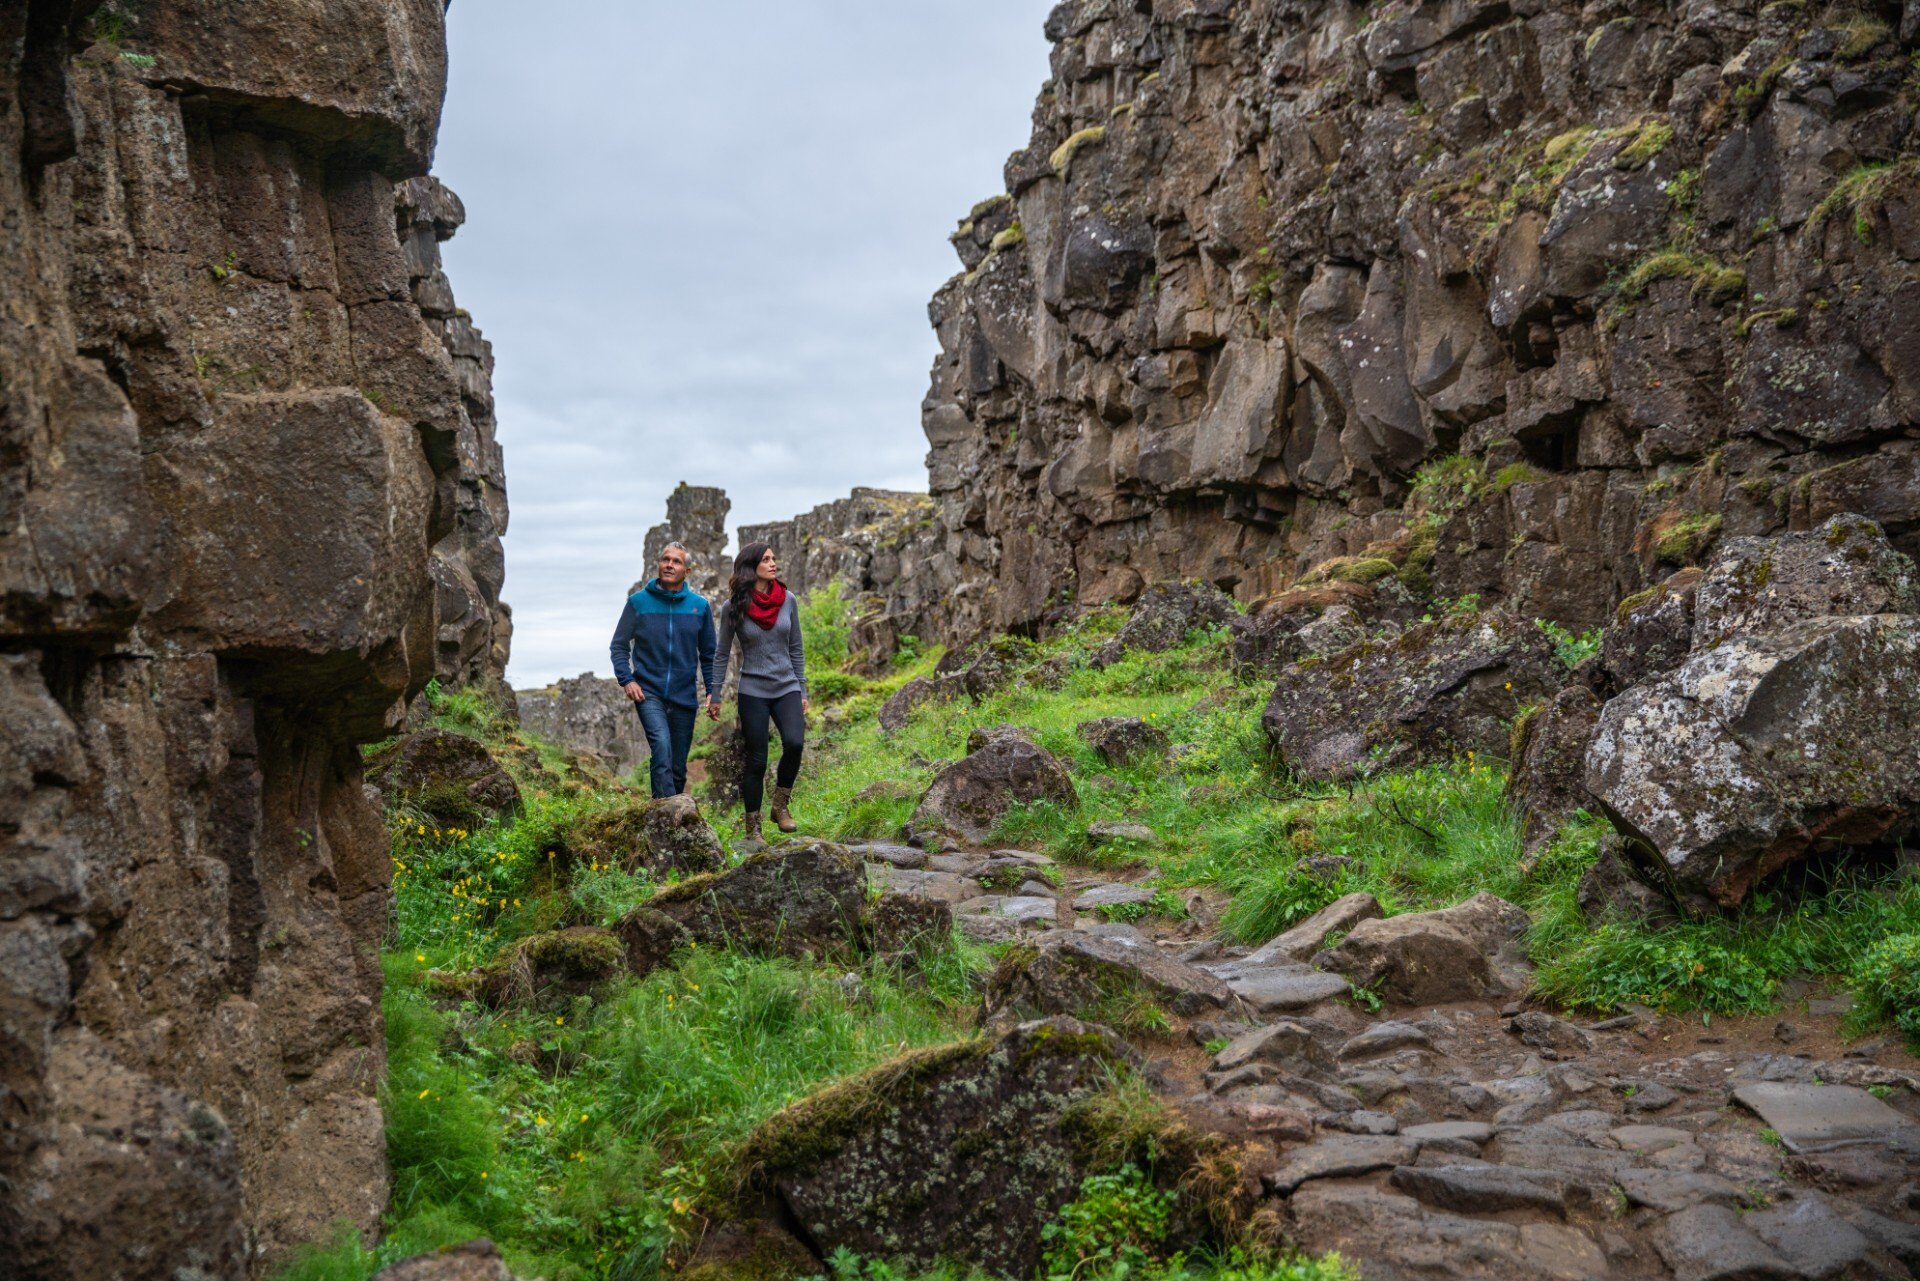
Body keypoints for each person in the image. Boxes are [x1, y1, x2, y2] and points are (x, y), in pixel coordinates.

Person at [711, 542, 808, 843]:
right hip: (753, 690)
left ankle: (780, 806)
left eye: (773, 558)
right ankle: (753, 830)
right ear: (751, 567)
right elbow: (721, 653)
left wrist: (802, 688)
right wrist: (715, 694)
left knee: (794, 743)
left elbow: (796, 647)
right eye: (765, 559)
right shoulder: (733, 606)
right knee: (757, 760)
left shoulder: (788, 600)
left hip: (787, 686)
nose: (773, 563)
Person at [608, 542, 718, 798]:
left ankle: (670, 809)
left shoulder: (699, 607)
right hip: (649, 693)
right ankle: (665, 814)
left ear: (687, 571)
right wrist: (627, 679)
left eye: (676, 561)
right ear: (658, 564)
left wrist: (713, 691)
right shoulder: (638, 603)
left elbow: (709, 655)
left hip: (684, 696)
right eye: (665, 559)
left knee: (678, 769)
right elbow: (619, 646)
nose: (669, 565)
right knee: (661, 747)